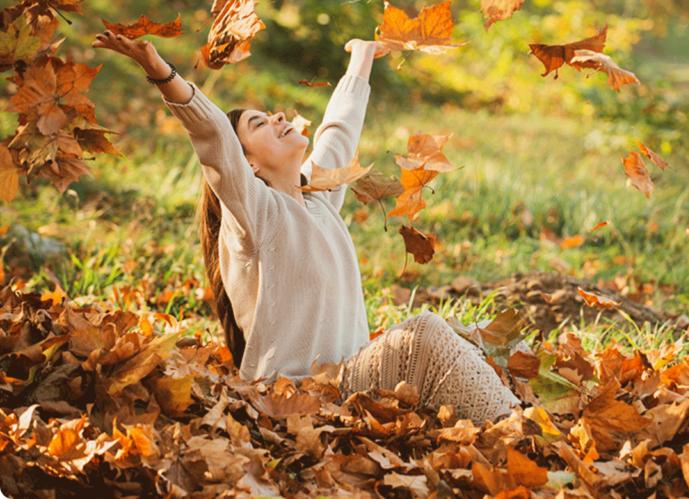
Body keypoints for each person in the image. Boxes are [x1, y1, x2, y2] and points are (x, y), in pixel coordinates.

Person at [92, 31, 520, 424]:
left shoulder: (318, 199)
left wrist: (362, 58)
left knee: (468, 336)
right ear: (249, 165)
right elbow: (214, 136)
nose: (278, 116)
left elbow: (339, 132)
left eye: (271, 115)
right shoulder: (255, 218)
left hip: (349, 383)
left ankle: (512, 422)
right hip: (294, 397)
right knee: (423, 333)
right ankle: (521, 433)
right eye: (259, 124)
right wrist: (161, 73)